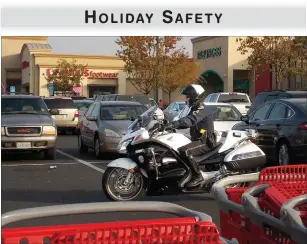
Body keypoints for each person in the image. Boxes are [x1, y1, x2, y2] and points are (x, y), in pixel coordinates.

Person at [168, 84, 216, 188]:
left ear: (195, 96)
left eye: (188, 96)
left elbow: (190, 120)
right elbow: (186, 121)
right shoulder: (195, 108)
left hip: (205, 142)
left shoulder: (202, 108)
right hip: (197, 140)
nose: (186, 99)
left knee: (185, 151)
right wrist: (169, 127)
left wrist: (174, 124)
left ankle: (197, 176)